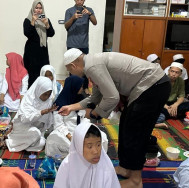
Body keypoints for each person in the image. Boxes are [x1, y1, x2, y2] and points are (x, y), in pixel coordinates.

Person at [59, 48, 171, 187]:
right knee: (125, 126)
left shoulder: (92, 66)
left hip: (153, 86)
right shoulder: (92, 64)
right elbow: (95, 96)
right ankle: (125, 168)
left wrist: (95, 113)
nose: (70, 73)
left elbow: (112, 97)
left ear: (73, 65)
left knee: (136, 133)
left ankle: (136, 181)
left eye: (69, 70)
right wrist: (71, 107)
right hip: (149, 87)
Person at [45, 76, 108, 157]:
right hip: (66, 132)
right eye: (80, 86)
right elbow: (59, 125)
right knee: (52, 140)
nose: (82, 88)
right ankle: (75, 156)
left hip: (80, 129)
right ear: (73, 86)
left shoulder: (80, 99)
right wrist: (70, 137)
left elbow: (84, 118)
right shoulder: (59, 103)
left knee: (102, 137)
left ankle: (92, 156)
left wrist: (85, 130)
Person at [54, 120, 120, 188]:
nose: (96, 151)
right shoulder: (67, 166)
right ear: (79, 147)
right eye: (89, 146)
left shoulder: (106, 164)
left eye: (98, 145)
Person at [5, 77, 57, 152]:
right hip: (22, 127)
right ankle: (9, 142)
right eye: (45, 94)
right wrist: (41, 112)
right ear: (39, 90)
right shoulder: (28, 99)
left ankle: (22, 146)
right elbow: (24, 119)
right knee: (35, 134)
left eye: (49, 94)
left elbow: (47, 123)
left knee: (42, 142)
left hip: (37, 129)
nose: (47, 97)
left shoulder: (48, 102)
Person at [65, 0, 97, 96]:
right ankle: (73, 87)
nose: (80, 1)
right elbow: (66, 26)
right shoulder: (69, 11)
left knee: (85, 67)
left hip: (84, 44)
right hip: (72, 44)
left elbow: (95, 22)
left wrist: (89, 14)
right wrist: (73, 18)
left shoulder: (89, 10)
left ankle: (85, 87)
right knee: (72, 67)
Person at [23, 0, 55, 87]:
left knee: (44, 72)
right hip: (31, 52)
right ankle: (31, 94)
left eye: (40, 8)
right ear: (33, 9)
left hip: (43, 52)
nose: (38, 10)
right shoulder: (27, 20)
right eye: (36, 8)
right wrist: (33, 21)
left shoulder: (46, 20)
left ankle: (43, 93)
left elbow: (52, 33)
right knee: (32, 74)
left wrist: (47, 24)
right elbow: (28, 34)